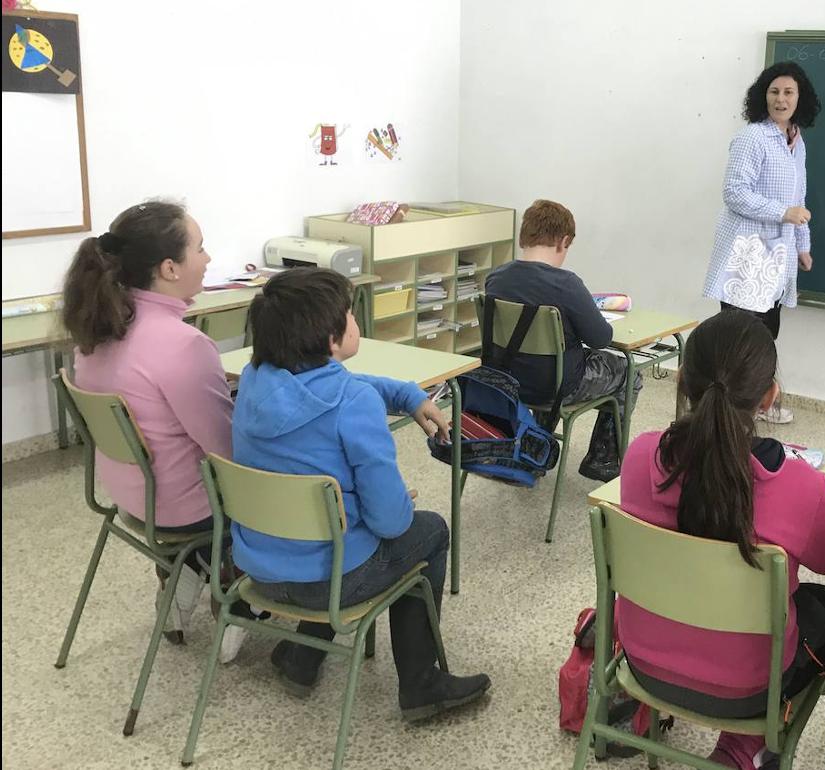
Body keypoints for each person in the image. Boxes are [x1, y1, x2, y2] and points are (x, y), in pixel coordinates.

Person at [616, 309, 825, 770]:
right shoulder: (798, 488)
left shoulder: (641, 456)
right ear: (769, 398)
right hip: (750, 689)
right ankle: (746, 746)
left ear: (682, 381)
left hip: (642, 662)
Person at [230, 267, 490, 720]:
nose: (354, 319)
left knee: (330, 531)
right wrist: (399, 503)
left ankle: (300, 656)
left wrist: (406, 395)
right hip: (330, 581)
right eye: (349, 313)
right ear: (330, 338)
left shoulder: (252, 382)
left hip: (259, 569)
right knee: (426, 533)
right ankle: (421, 685)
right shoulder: (354, 405)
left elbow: (335, 386)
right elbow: (392, 522)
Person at [64, 200, 248, 661]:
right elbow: (226, 450)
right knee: (289, 469)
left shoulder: (95, 330)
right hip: (184, 508)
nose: (207, 259)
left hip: (131, 497)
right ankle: (238, 601)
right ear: (169, 267)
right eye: (201, 249)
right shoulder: (184, 345)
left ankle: (182, 571)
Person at [484, 199, 639, 481]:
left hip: (507, 383)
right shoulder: (567, 284)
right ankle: (602, 459)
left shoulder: (496, 279)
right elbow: (601, 338)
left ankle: (536, 448)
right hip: (556, 388)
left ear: (523, 236)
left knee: (546, 365)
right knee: (627, 371)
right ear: (563, 241)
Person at [703, 61, 821, 424]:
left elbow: (798, 197)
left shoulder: (796, 141)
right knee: (738, 336)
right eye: (774, 92)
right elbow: (734, 193)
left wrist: (803, 243)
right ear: (762, 96)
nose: (781, 99)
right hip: (747, 255)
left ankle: (758, 402)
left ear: (801, 98)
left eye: (788, 92)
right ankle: (725, 409)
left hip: (779, 256)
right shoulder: (752, 138)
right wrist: (784, 213)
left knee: (768, 332)